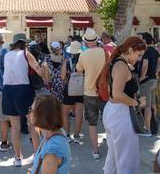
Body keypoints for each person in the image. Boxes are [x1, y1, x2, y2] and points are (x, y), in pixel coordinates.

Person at [102, 36, 146, 173]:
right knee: (126, 159)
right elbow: (117, 94)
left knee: (114, 156)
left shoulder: (118, 62)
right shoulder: (121, 65)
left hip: (113, 111)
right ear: (130, 50)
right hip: (120, 114)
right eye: (138, 55)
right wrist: (137, 102)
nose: (139, 59)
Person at [2, 33, 44, 167]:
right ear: (24, 43)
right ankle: (37, 155)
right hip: (23, 90)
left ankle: (18, 157)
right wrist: (44, 66)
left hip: (7, 91)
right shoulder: (26, 53)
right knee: (33, 124)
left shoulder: (7, 55)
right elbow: (39, 71)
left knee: (15, 126)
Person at [76, 28, 107, 159]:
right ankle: (113, 146)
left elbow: (78, 70)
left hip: (89, 91)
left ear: (86, 42)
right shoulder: (103, 52)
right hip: (103, 90)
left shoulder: (83, 54)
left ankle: (95, 151)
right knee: (108, 121)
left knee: (92, 123)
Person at [30, 96, 71, 174]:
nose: (29, 113)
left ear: (41, 116)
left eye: (31, 110)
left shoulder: (52, 152)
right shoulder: (48, 134)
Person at [138, 32, 160, 136]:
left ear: (144, 40)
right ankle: (153, 126)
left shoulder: (147, 51)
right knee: (152, 105)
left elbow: (145, 65)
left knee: (145, 106)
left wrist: (141, 77)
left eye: (140, 38)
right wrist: (156, 72)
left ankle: (147, 129)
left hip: (146, 81)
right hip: (153, 80)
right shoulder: (154, 51)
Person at [61, 40, 84, 143]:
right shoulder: (84, 61)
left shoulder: (66, 61)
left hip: (69, 89)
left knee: (65, 114)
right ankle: (77, 135)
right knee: (79, 114)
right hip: (81, 89)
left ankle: (66, 134)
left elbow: (62, 76)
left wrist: (68, 81)